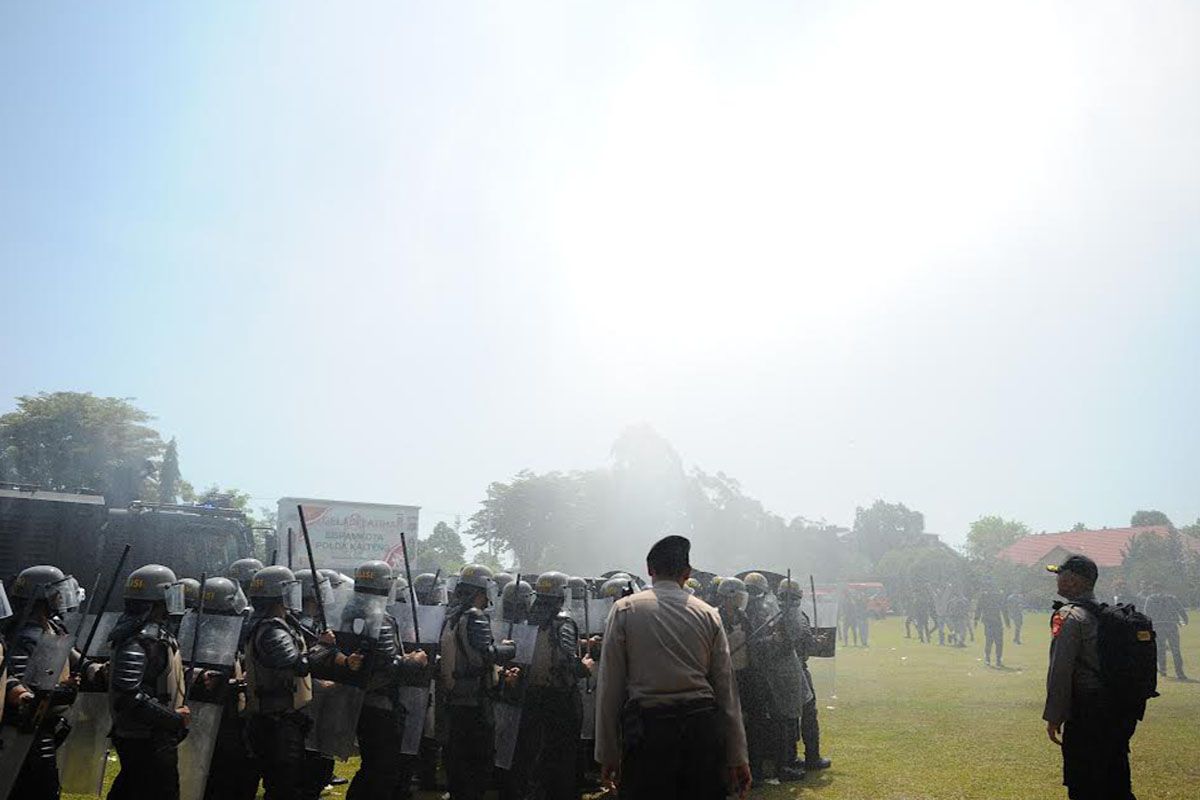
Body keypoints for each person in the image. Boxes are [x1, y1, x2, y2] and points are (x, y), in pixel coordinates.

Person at [594, 535, 750, 800]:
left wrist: (608, 753)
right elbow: (726, 691)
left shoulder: (625, 610)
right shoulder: (708, 613)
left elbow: (610, 686)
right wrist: (737, 756)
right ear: (687, 573)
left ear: (649, 570)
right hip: (700, 732)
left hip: (649, 735)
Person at [243, 565, 356, 800]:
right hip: (276, 720)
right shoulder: (272, 629)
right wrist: (323, 647)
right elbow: (296, 664)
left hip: (282, 718)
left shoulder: (279, 623)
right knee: (283, 787)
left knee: (289, 783)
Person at [1043, 554, 1140, 800]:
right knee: (1116, 782)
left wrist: (1055, 715)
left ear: (1074, 581)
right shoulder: (1106, 614)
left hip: (1087, 712)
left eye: (1061, 575)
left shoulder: (1068, 616)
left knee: (1083, 784)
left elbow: (1060, 670)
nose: (1058, 580)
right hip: (1116, 709)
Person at [2, 565, 99, 799]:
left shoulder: (53, 627)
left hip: (47, 724)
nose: (61, 597)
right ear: (43, 596)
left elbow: (74, 657)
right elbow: (18, 684)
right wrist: (59, 692)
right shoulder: (24, 634)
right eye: (57, 592)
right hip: (24, 732)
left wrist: (95, 669)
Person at [342, 561, 429, 800]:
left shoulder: (349, 611)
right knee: (382, 769)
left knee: (373, 766)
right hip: (379, 703)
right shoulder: (378, 616)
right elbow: (386, 665)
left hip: (358, 699)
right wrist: (414, 660)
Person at [107, 564, 191, 800]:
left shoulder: (152, 635)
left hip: (153, 737)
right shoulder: (139, 640)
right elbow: (127, 695)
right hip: (145, 738)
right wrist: (173, 718)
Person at [439, 564, 518, 800]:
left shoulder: (452, 615)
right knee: (478, 762)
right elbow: (485, 654)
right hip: (475, 700)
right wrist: (509, 649)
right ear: (480, 591)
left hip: (455, 698)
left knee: (458, 760)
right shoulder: (474, 616)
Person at [514, 571, 594, 800]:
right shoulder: (563, 621)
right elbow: (567, 660)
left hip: (532, 694)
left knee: (537, 751)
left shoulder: (530, 620)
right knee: (562, 752)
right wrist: (585, 666)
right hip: (560, 697)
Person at [1143, 585, 1189, 680]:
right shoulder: (1171, 598)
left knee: (1161, 650)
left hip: (1158, 626)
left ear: (1153, 589)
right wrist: (1185, 619)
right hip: (1171, 626)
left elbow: (1147, 613)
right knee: (1175, 650)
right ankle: (1179, 672)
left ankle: (1163, 670)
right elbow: (1180, 609)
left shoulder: (1150, 599)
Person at [974, 584, 1010, 667]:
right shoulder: (986, 597)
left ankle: (996, 659)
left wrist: (1007, 621)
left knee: (997, 642)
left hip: (994, 621)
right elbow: (979, 608)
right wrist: (976, 619)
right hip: (990, 621)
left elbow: (1004, 609)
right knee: (991, 641)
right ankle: (989, 658)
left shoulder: (996, 597)